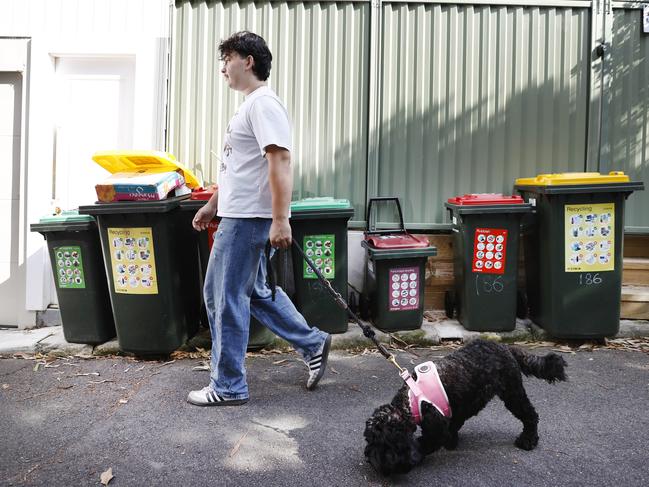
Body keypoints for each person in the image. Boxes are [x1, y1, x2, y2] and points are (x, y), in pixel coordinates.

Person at [187, 31, 331, 406]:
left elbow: (280, 161)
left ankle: (229, 385)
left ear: (248, 61)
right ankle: (313, 343)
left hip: (248, 220)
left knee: (223, 297)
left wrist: (280, 219)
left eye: (228, 59)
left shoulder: (263, 104)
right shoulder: (250, 104)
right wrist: (213, 204)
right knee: (254, 293)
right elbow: (241, 168)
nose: (223, 69)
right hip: (239, 214)